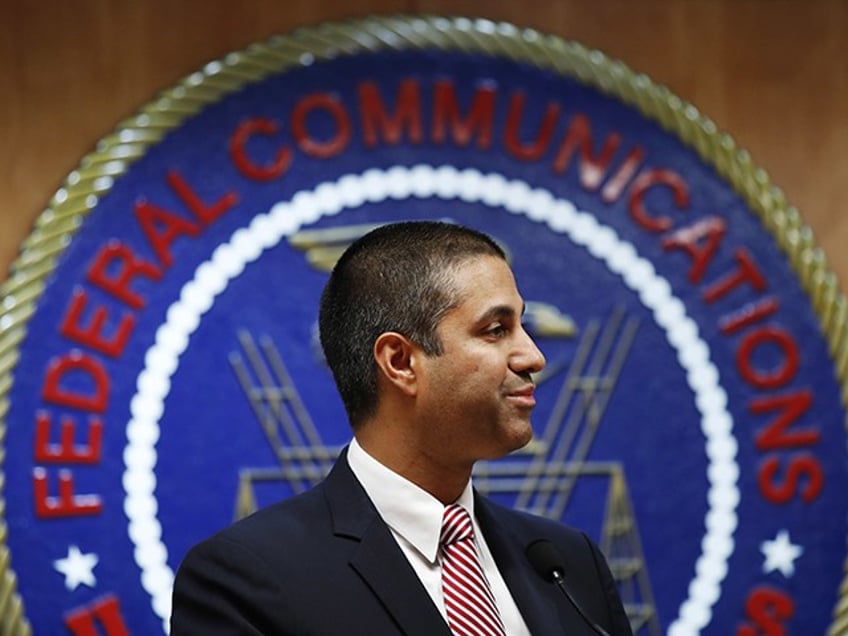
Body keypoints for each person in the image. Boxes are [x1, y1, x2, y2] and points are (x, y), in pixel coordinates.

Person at [171, 221, 632, 635]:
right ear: (400, 362)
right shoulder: (244, 580)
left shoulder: (568, 562)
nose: (533, 357)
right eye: (496, 329)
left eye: (523, 326)